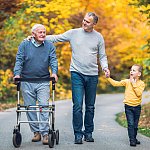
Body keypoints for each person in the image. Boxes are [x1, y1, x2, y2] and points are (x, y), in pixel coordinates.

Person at [27, 12, 110, 144]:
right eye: (84, 20)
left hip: (92, 75)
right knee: (77, 105)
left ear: (94, 24)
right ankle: (78, 134)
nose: (84, 23)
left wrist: (105, 67)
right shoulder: (73, 33)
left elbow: (102, 56)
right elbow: (56, 38)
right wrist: (37, 37)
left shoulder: (98, 37)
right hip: (76, 73)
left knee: (90, 106)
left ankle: (88, 133)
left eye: (88, 22)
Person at [14, 24, 58, 145]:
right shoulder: (24, 44)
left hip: (43, 81)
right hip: (26, 81)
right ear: (33, 34)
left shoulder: (49, 46)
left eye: (44, 32)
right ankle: (36, 132)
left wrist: (54, 73)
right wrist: (17, 74)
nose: (43, 34)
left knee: (44, 106)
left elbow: (53, 60)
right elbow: (19, 60)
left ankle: (45, 134)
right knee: (30, 108)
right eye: (40, 32)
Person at [107, 64, 145, 147]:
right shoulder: (127, 81)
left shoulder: (141, 84)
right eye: (131, 70)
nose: (131, 71)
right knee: (130, 124)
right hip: (128, 106)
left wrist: (133, 84)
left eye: (134, 70)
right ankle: (132, 140)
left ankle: (134, 138)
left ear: (139, 74)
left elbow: (138, 94)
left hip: (137, 107)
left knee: (135, 125)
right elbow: (116, 83)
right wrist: (108, 78)